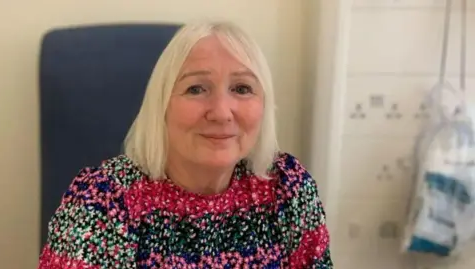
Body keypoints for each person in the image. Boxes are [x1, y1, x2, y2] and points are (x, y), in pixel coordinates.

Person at [38, 20, 333, 269]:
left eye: (242, 88)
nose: (220, 112)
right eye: (196, 89)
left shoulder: (287, 187)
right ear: (162, 105)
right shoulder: (102, 200)